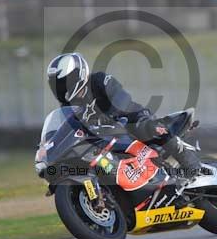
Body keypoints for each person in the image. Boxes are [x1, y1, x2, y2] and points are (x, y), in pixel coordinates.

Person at [47, 52, 201, 178]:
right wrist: (48, 145)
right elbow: (68, 129)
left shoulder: (98, 80)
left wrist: (112, 114)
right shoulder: (69, 107)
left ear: (77, 73)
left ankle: (191, 165)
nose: (62, 88)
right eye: (58, 85)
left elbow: (121, 98)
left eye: (64, 82)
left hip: (129, 119)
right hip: (104, 138)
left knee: (150, 128)